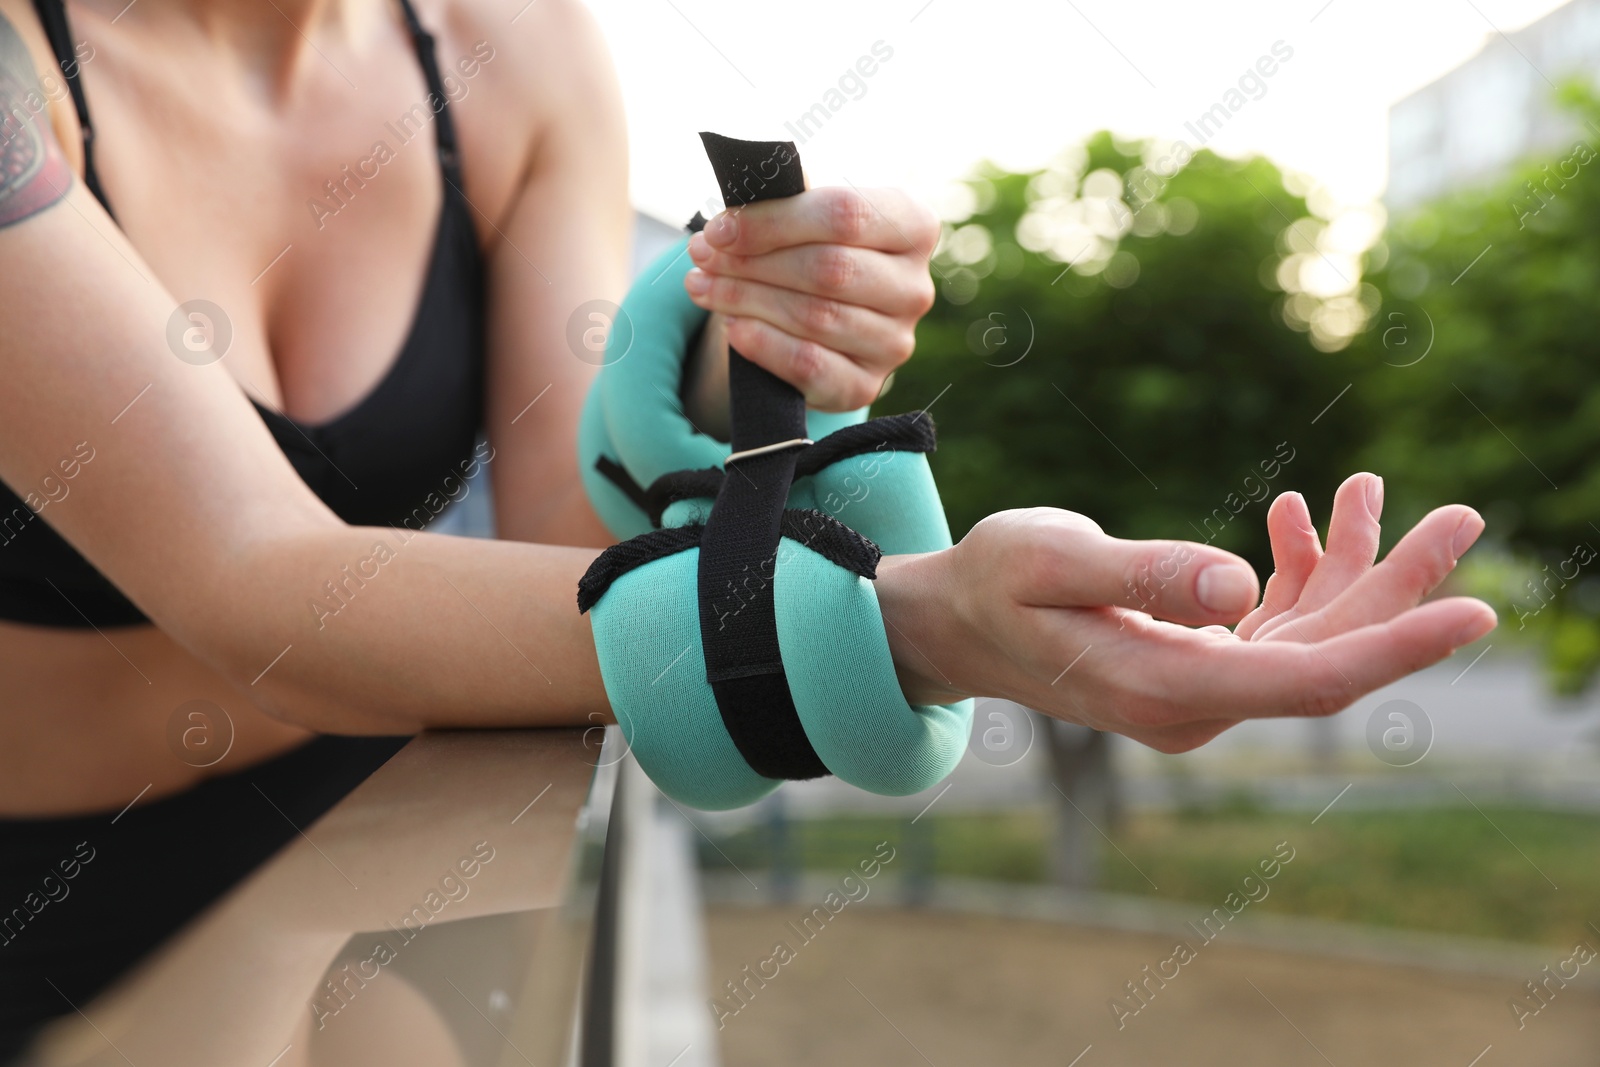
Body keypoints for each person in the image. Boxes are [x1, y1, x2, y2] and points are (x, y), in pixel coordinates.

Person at [0, 0, 1495, 1053]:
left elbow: (569, 535)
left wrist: (743, 361)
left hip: (393, 830)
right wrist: (910, 622)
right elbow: (259, 594)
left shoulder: (517, 51)